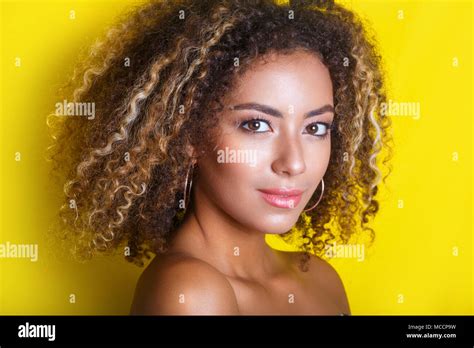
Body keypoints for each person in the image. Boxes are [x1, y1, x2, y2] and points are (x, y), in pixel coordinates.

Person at [47, 0, 392, 315]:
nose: (295, 163)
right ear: (187, 136)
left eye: (315, 128)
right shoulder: (190, 292)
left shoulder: (319, 277)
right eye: (256, 125)